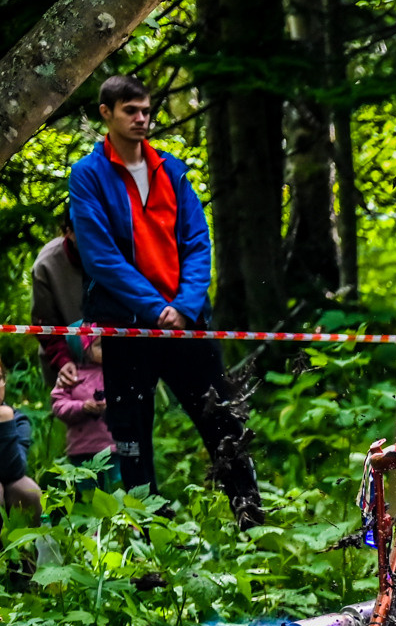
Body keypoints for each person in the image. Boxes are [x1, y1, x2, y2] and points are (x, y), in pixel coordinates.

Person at [68, 74, 263, 528]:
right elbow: (100, 256)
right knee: (131, 432)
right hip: (130, 325)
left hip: (187, 322)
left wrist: (186, 304)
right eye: (130, 111)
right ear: (106, 114)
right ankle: (145, 535)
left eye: (146, 111)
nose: (141, 119)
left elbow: (198, 242)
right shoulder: (88, 176)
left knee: (222, 419)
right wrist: (155, 308)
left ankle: (253, 522)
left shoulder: (171, 170)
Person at [31, 211, 83, 389]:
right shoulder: (47, 264)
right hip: (67, 365)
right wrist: (63, 360)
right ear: (69, 232)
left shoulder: (113, 252)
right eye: (85, 231)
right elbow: (44, 323)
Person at [52, 333, 113, 483]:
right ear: (81, 349)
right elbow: (58, 405)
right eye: (99, 345)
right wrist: (82, 407)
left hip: (113, 447)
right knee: (87, 494)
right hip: (82, 448)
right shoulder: (71, 376)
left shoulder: (116, 373)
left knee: (115, 490)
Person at [0, 366, 41, 526]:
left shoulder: (17, 420)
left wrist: (4, 422)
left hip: (8, 479)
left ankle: (32, 545)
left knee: (28, 490)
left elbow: (15, 471)